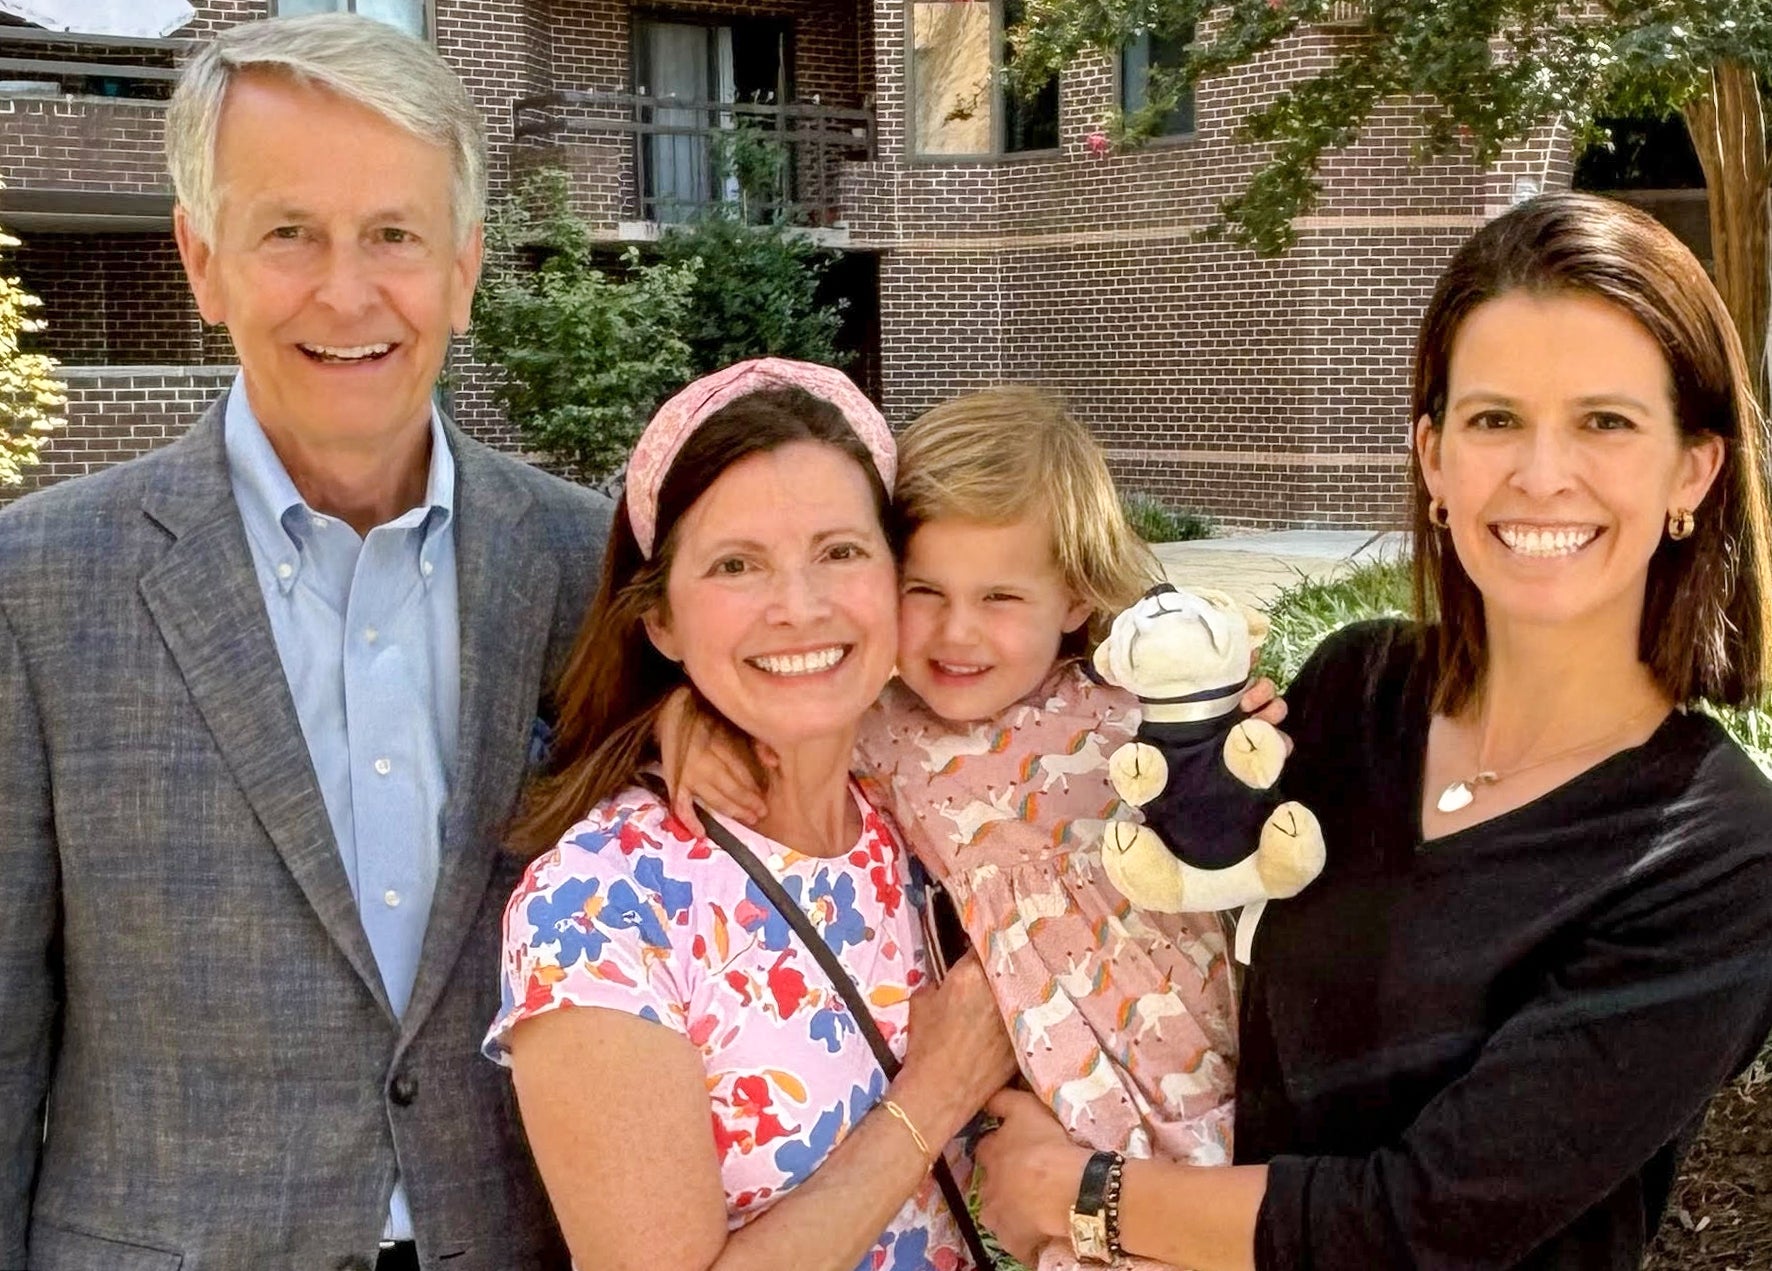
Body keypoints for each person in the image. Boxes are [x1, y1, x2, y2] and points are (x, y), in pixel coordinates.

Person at [974, 191, 1772, 1270]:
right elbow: (1160, 893)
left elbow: (1426, 1219)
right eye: (1495, 419)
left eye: (1603, 421)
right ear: (1433, 458)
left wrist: (1084, 1196)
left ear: (1691, 469)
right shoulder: (1356, 688)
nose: (1540, 474)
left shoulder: (1718, 854)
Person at [0, 15, 607, 1271]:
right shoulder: (34, 584)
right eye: (289, 233)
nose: (347, 291)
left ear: (462, 265)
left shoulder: (588, 568)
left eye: (393, 233)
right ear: (201, 258)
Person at [659, 388, 1289, 1270]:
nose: (957, 632)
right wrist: (688, 720)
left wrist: (1244, 725)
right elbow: (763, 700)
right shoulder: (880, 725)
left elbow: (1239, 783)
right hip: (1061, 1081)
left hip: (1205, 1051)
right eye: (925, 590)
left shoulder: (1124, 706)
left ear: (1074, 596)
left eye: (1000, 595)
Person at [485, 357, 1018, 1271]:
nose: (799, 607)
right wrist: (935, 1096)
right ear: (660, 623)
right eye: (737, 565)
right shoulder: (601, 907)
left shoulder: (936, 810)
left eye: (840, 551)